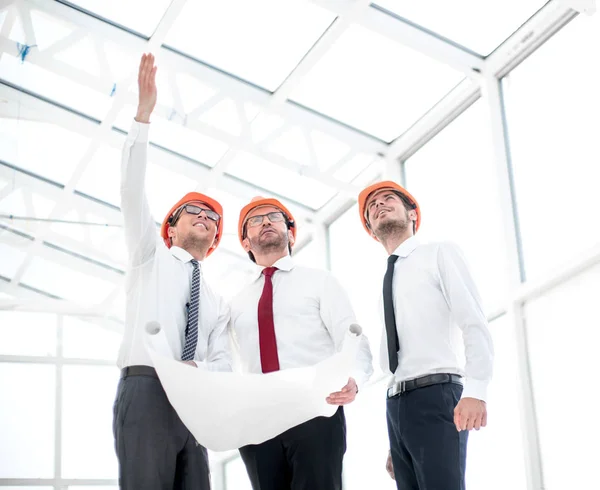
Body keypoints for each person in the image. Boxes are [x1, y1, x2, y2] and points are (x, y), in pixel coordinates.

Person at [113, 53, 231, 490]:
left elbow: (222, 359)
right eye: (193, 211)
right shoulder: (149, 256)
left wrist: (206, 380)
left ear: (216, 237)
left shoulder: (216, 300)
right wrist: (142, 117)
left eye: (212, 217)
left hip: (194, 404)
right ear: (171, 226)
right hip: (145, 390)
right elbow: (130, 191)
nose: (204, 217)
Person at [229, 196, 373, 490]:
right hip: (258, 419)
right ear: (245, 242)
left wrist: (354, 379)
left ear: (291, 233)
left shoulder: (320, 282)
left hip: (314, 408)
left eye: (274, 217)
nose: (266, 221)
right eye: (255, 220)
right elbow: (224, 362)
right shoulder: (234, 304)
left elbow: (353, 337)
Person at [356, 181, 494, 490]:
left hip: (437, 395)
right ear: (370, 229)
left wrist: (476, 389)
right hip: (398, 405)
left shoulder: (439, 253)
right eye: (372, 206)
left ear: (412, 214)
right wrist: (399, 436)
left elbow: (473, 320)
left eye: (388, 198)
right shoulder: (386, 279)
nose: (379, 205)